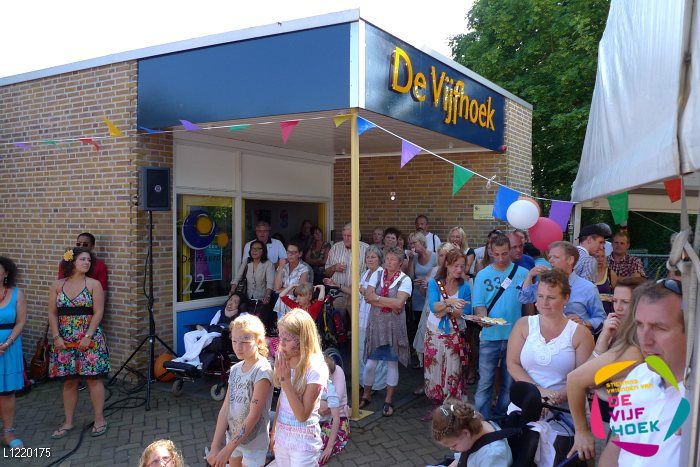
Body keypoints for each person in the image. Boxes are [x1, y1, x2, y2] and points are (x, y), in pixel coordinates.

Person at [506, 269, 594, 465]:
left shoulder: (580, 334)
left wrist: (554, 398)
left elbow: (583, 380)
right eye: (540, 296)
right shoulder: (524, 325)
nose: (544, 303)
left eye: (551, 297)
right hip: (525, 403)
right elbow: (512, 363)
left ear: (566, 298)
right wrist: (538, 393)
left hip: (563, 409)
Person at [600, 280, 685, 466]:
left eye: (659, 328)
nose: (645, 340)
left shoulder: (693, 400)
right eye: (639, 325)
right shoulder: (638, 375)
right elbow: (616, 445)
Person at [565, 276, 646, 461]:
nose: (617, 307)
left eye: (625, 302)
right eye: (615, 301)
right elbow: (588, 376)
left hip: (615, 423)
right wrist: (602, 339)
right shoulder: (621, 333)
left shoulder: (635, 346)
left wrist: (581, 431)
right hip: (603, 415)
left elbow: (577, 380)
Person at [49, 247, 110, 438]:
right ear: (72, 261)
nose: (87, 263)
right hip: (64, 340)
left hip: (89, 339)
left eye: (89, 260)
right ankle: (68, 422)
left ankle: (99, 419)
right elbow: (52, 313)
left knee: (93, 380)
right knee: (69, 381)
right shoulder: (57, 285)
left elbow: (98, 312)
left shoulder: (93, 284)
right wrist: (56, 336)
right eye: (83, 259)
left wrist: (88, 336)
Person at [472, 234, 529, 419]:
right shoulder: (483, 275)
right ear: (490, 252)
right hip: (490, 336)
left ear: (510, 250)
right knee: (485, 382)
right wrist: (482, 318)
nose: (501, 258)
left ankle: (501, 418)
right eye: (496, 254)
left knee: (510, 383)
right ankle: (481, 422)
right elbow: (479, 304)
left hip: (515, 338)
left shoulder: (522, 273)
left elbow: (528, 305)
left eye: (504, 253)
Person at [207, 315, 273, 467]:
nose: (238, 346)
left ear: (259, 341)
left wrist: (227, 450)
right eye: (234, 341)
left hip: (254, 443)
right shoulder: (235, 369)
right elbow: (225, 409)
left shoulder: (262, 371)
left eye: (244, 341)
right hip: (233, 438)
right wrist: (215, 447)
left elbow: (254, 415)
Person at [270, 309, 329, 465]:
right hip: (283, 436)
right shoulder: (286, 361)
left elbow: (302, 415)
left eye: (287, 339)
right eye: (280, 337)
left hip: (304, 441)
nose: (281, 344)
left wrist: (285, 381)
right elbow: (282, 399)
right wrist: (274, 431)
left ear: (303, 340)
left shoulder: (315, 369)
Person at [360, 247, 412, 416]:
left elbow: (399, 303)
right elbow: (368, 297)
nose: (388, 262)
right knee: (370, 364)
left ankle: (388, 400)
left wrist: (377, 299)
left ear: (400, 263)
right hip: (376, 325)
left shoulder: (405, 280)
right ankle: (366, 394)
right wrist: (391, 302)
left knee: (391, 363)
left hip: (393, 327)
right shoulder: (377, 274)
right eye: (387, 258)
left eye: (392, 259)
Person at [518, 241, 606, 334]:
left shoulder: (588, 288)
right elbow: (524, 298)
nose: (550, 261)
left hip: (576, 338)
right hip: (546, 337)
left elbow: (601, 319)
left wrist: (584, 323)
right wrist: (529, 276)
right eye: (550, 257)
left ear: (570, 260)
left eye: (556, 257)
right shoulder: (545, 284)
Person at [424, 250, 472, 415]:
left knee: (454, 370)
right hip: (434, 332)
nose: (459, 269)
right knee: (434, 369)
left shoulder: (465, 286)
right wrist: (451, 302)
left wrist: (445, 308)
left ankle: (451, 407)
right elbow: (433, 306)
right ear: (446, 264)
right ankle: (437, 406)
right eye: (455, 265)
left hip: (455, 334)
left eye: (462, 266)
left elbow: (465, 312)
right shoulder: (435, 283)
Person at [413, 243, 456, 385]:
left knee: (445, 353)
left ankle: (444, 384)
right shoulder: (433, 270)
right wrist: (424, 287)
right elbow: (424, 294)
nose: (444, 258)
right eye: (441, 255)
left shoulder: (456, 273)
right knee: (425, 350)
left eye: (447, 255)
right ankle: (427, 383)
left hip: (447, 317)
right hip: (428, 314)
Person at [431, 399, 513, 467]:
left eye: (454, 445)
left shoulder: (492, 455)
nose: (451, 449)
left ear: (465, 433)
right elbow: (462, 457)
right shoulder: (476, 428)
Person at [172, 293, 242, 368]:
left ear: (239, 305)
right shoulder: (220, 312)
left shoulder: (241, 315)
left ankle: (185, 358)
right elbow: (212, 324)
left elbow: (240, 329)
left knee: (206, 337)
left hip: (223, 333)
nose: (231, 303)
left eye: (235, 302)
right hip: (212, 329)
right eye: (230, 300)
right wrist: (201, 326)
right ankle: (195, 362)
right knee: (188, 335)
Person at [0, 257, 26, 449]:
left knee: (7, 392)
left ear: (6, 273)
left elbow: (20, 322)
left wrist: (7, 343)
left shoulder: (17, 294)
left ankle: (8, 432)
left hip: (9, 348)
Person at [324, 223, 368, 324]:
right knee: (336, 314)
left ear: (357, 236)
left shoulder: (366, 249)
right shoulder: (335, 248)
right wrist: (334, 268)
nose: (346, 238)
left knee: (357, 317)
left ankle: (356, 332)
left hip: (358, 292)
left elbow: (373, 272)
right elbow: (326, 272)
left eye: (349, 236)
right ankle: (341, 332)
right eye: (344, 235)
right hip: (338, 290)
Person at [357, 246, 387, 390]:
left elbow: (382, 295)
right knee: (362, 349)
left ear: (379, 259)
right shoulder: (365, 273)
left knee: (375, 352)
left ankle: (376, 385)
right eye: (368, 257)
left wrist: (364, 291)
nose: (370, 259)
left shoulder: (382, 274)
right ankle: (364, 382)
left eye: (373, 257)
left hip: (375, 316)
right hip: (362, 316)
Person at [232, 239, 276, 334]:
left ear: (263, 251)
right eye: (252, 248)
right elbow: (237, 278)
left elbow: (270, 284)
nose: (254, 251)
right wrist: (232, 292)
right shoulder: (247, 261)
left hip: (261, 300)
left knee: (259, 325)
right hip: (247, 298)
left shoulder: (268, 264)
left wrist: (267, 295)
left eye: (257, 249)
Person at [319, 356, 350, 465]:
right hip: (319, 419)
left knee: (320, 444)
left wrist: (329, 447)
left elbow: (328, 408)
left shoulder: (336, 374)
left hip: (337, 418)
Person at [273, 241, 311, 319]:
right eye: (288, 252)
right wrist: (281, 267)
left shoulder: (304, 269)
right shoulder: (283, 267)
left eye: (293, 252)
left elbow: (299, 290)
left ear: (300, 254)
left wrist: (282, 290)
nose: (290, 255)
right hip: (281, 306)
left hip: (295, 305)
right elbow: (276, 288)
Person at [408, 232, 437, 327]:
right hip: (417, 295)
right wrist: (410, 260)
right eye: (410, 244)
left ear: (422, 242)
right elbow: (411, 277)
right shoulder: (414, 258)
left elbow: (438, 275)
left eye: (414, 243)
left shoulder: (434, 257)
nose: (412, 246)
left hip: (430, 294)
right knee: (417, 324)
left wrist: (425, 280)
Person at [594, 248, 617, 315]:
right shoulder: (586, 273)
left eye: (602, 256)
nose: (600, 259)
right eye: (597, 256)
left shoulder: (610, 273)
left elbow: (617, 294)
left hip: (607, 312)